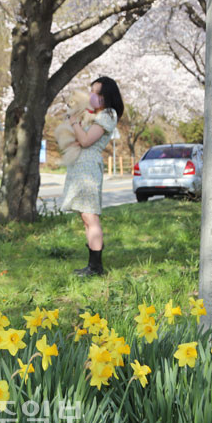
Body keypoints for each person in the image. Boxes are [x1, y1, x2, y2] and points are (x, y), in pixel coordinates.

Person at [59, 76, 125, 277]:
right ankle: (91, 265)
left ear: (107, 96)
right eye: (92, 92)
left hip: (88, 168)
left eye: (98, 93)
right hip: (80, 167)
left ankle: (96, 267)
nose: (93, 96)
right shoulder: (94, 115)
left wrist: (74, 123)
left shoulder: (108, 114)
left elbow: (86, 140)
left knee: (91, 216)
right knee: (86, 217)